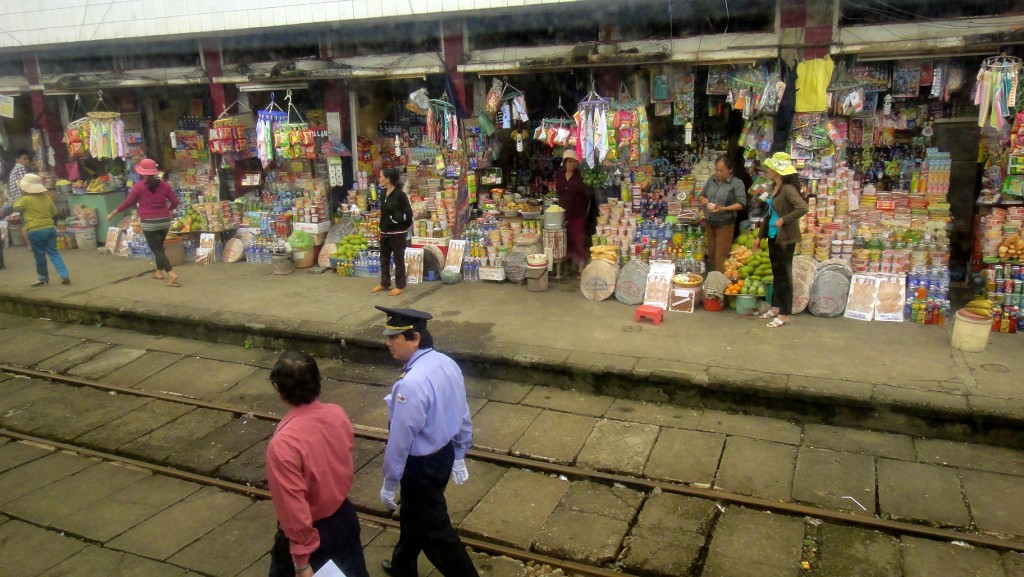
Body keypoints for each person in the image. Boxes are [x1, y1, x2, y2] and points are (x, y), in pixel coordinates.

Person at [375, 305, 478, 577]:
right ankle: (402, 567)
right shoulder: (446, 363)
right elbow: (462, 412)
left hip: (420, 467)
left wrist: (389, 481)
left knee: (436, 534)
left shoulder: (412, 382)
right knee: (413, 517)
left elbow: (400, 439)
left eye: (393, 337)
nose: (388, 343)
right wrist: (459, 452)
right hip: (442, 456)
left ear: (415, 339)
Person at [266, 351, 370, 577]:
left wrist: (302, 561)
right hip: (343, 518)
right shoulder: (337, 414)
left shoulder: (283, 444)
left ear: (279, 389)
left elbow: (293, 507)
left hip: (314, 535)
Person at [107, 158, 181, 287]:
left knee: (157, 249)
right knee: (159, 246)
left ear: (141, 172)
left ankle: (171, 274)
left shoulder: (138, 187)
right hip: (164, 221)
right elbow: (175, 202)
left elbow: (127, 202)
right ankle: (158, 272)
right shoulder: (164, 185)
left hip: (149, 222)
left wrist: (113, 213)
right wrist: (167, 211)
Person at [757, 152, 808, 328]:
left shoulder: (788, 189)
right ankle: (776, 307)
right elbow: (768, 213)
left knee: (785, 276)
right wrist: (759, 236)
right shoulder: (774, 188)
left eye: (770, 168)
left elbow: (802, 207)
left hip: (786, 238)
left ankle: (785, 313)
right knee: (776, 273)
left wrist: (784, 219)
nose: (767, 170)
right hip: (773, 235)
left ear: (778, 170)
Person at [12, 174, 70, 287]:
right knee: (54, 253)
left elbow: (15, 207)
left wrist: (22, 195)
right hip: (50, 229)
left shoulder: (25, 199)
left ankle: (43, 278)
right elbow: (54, 213)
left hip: (35, 230)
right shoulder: (47, 198)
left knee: (39, 256)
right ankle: (65, 275)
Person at [698, 154, 747, 273]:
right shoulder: (712, 179)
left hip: (725, 224)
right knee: (712, 254)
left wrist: (724, 209)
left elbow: (741, 204)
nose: (718, 173)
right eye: (717, 170)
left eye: (722, 171)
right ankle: (714, 280)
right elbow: (701, 194)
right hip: (710, 222)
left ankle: (719, 285)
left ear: (730, 170)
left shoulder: (736, 183)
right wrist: (702, 200)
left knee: (721, 256)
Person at [372, 168, 413, 296]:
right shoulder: (383, 193)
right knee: (384, 258)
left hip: (398, 233)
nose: (379, 179)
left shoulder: (400, 195)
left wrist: (402, 226)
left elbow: (408, 213)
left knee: (398, 259)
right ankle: (385, 283)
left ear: (388, 179)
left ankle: (400, 285)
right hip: (384, 232)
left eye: (381, 176)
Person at [555, 149, 592, 278]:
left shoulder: (580, 176)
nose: (572, 164)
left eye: (574, 162)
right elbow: (559, 191)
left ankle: (581, 266)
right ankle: (572, 266)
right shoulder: (560, 176)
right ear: (564, 163)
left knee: (578, 239)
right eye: (570, 162)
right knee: (568, 239)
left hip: (578, 212)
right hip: (564, 213)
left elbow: (587, 194)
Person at [7, 149, 32, 248]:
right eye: (24, 159)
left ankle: (29, 245)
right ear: (17, 160)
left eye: (27, 159)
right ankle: (30, 245)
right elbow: (24, 184)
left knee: (24, 222)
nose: (26, 161)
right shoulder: (20, 167)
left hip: (18, 200)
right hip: (23, 199)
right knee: (27, 223)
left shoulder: (14, 170)